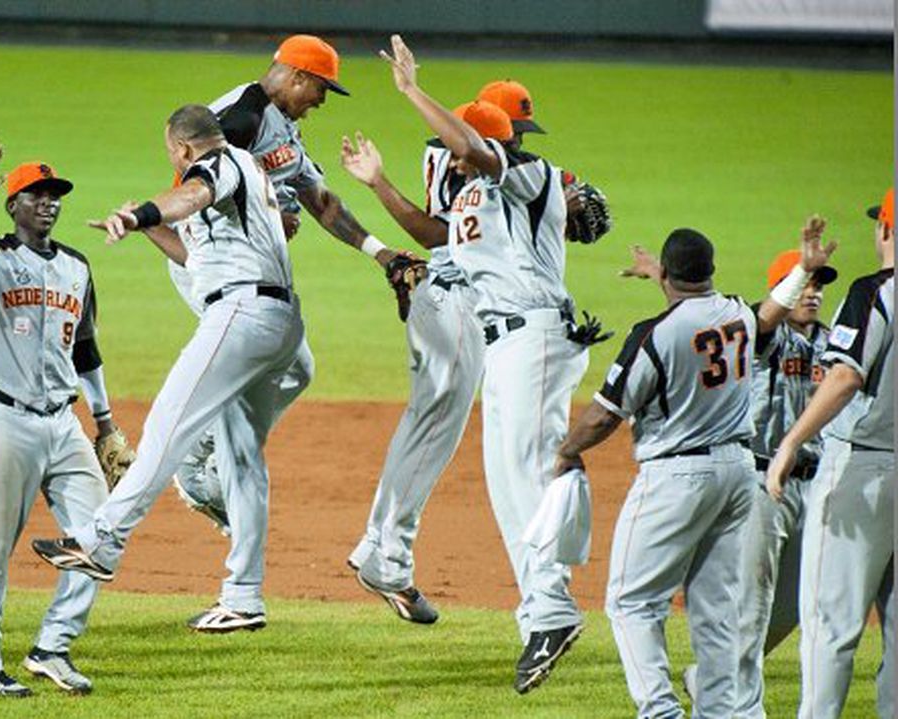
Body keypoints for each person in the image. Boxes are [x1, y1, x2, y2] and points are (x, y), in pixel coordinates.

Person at [379, 34, 609, 691]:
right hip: (505, 342)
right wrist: (377, 184)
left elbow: (480, 152)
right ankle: (542, 613)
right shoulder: (472, 200)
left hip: (535, 336)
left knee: (531, 466)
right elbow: (435, 235)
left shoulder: (524, 174)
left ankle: (556, 607)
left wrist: (411, 91)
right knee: (506, 480)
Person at [32, 106, 303, 640]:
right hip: (279, 325)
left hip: (243, 317)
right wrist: (147, 230)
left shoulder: (222, 163)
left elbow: (193, 194)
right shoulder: (247, 179)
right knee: (241, 458)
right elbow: (197, 259)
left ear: (183, 149)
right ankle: (243, 595)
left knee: (166, 429)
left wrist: (140, 215)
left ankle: (102, 541)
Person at [170, 34, 411, 631]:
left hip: (256, 279)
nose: (324, 101)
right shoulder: (239, 120)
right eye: (322, 89)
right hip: (218, 274)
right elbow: (190, 192)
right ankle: (236, 582)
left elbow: (322, 202)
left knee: (299, 368)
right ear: (298, 77)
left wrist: (381, 254)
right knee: (243, 447)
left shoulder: (281, 126)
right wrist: (262, 215)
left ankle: (200, 461)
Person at [558, 223, 830, 717]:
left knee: (631, 601)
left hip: (676, 479)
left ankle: (660, 711)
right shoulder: (736, 315)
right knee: (717, 609)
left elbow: (603, 415)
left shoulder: (655, 334)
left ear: (665, 273)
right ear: (712, 272)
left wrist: (566, 450)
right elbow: (768, 313)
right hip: (738, 475)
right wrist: (803, 273)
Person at [0, 150, 127, 698]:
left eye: (54, 195)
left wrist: (104, 424)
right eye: (36, 195)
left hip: (64, 424)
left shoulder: (77, 267)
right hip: (1, 418)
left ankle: (51, 647)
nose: (47, 203)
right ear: (13, 205)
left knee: (102, 536)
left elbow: (85, 350)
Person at [336, 101, 511, 623]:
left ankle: (377, 546)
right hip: (453, 308)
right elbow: (435, 235)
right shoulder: (480, 175)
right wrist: (378, 182)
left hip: (439, 301)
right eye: (512, 134)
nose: (516, 145)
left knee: (422, 427)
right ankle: (390, 559)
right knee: (434, 432)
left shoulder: (454, 162)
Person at [767, 188, 895, 719]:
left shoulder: (876, 293)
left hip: (860, 471)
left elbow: (844, 375)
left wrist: (791, 442)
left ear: (885, 230)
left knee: (829, 626)